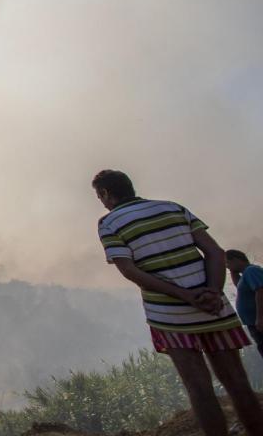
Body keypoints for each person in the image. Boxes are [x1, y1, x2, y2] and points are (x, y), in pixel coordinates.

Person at [93, 170, 263, 436]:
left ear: (105, 194)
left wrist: (184, 296)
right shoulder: (173, 208)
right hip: (214, 308)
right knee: (238, 383)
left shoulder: (109, 223)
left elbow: (130, 271)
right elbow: (215, 253)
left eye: (99, 196)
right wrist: (214, 291)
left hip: (170, 316)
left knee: (199, 389)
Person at [226, 249, 263, 359]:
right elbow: (239, 285)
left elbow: (260, 291)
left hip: (259, 321)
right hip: (253, 322)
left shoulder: (251, 270)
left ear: (236, 259)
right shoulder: (246, 274)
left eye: (227, 263)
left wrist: (260, 318)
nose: (227, 267)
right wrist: (233, 272)